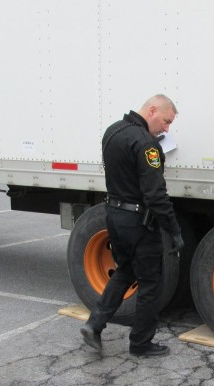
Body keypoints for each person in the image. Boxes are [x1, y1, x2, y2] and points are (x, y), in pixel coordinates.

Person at [80, 94, 184, 357]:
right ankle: (141, 343)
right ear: (152, 110)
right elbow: (156, 196)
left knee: (125, 272)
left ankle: (95, 324)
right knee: (151, 283)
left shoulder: (112, 132)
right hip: (139, 222)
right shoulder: (147, 144)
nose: (166, 128)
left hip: (114, 216)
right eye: (166, 121)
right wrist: (173, 230)